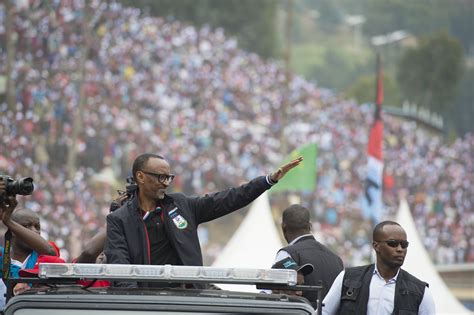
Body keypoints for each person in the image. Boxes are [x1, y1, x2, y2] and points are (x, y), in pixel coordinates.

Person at [104, 153, 302, 287]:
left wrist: (268, 181)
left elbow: (229, 199)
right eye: (160, 177)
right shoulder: (119, 219)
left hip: (189, 298)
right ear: (140, 176)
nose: (166, 183)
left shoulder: (181, 205)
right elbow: (120, 269)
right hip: (147, 302)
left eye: (168, 177)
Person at [322, 220, 436, 315]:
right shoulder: (347, 278)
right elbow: (323, 312)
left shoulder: (420, 291)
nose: (400, 249)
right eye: (393, 243)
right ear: (376, 246)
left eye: (404, 244)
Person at [0, 182, 60, 308]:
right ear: (14, 232)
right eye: (27, 226)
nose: (35, 231)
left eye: (37, 226)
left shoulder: (44, 253)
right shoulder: (2, 255)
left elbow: (50, 251)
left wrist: (8, 221)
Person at [274, 204, 343, 305]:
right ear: (310, 226)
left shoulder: (287, 254)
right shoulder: (337, 259)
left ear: (283, 227)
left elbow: (270, 294)